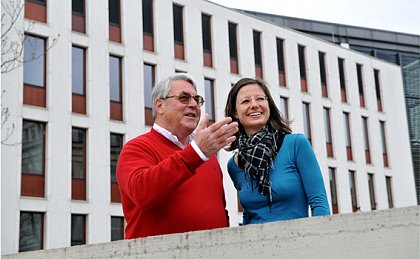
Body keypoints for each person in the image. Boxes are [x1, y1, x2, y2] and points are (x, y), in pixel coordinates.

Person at [116, 73, 238, 239]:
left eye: (197, 100)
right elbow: (142, 193)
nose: (194, 105)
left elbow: (220, 211)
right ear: (159, 105)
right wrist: (196, 153)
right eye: (184, 98)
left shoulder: (206, 155)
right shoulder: (137, 148)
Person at [224, 78, 330, 225]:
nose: (254, 105)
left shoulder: (296, 144)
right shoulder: (234, 165)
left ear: (269, 105)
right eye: (245, 101)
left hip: (298, 241)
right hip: (257, 244)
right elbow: (248, 215)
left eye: (260, 98)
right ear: (235, 112)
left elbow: (319, 203)